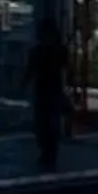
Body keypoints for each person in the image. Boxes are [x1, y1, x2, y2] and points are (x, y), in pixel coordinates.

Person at [30, 21, 71, 173]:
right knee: (51, 123)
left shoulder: (37, 51)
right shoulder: (60, 50)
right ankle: (50, 152)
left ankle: (46, 152)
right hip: (54, 89)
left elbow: (30, 70)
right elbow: (67, 69)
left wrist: (22, 83)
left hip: (44, 90)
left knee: (43, 123)